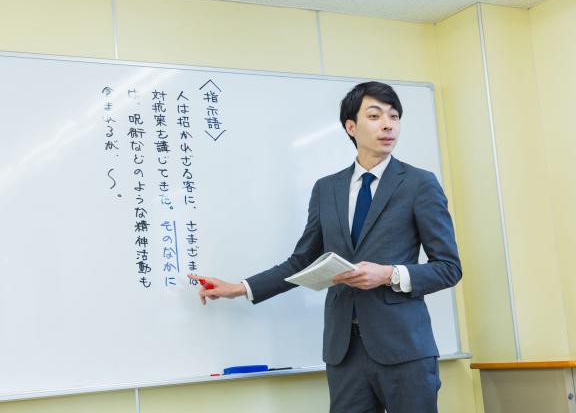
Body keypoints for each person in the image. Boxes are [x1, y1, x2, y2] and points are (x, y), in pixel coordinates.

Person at [188, 81, 462, 413]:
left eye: (394, 116)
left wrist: (389, 274)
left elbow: (448, 267)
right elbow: (302, 260)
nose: (388, 124)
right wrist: (239, 287)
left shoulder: (420, 184)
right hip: (344, 350)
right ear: (351, 126)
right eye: (375, 116)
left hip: (404, 348)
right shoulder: (326, 189)